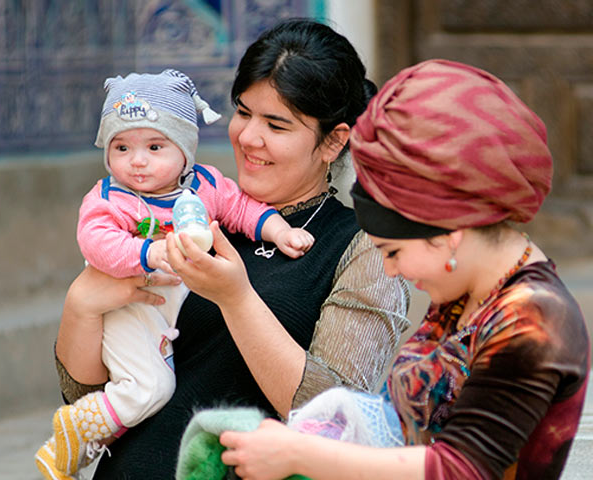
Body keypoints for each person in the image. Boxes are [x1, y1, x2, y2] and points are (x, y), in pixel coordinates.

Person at [50, 19, 411, 479]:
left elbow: (330, 419)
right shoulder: (192, 208)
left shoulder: (363, 249)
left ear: (333, 141)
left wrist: (236, 298)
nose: (248, 137)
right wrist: (80, 307)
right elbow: (87, 401)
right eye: (244, 112)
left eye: (276, 124)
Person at [217, 59, 591, 480]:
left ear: (447, 232)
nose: (391, 271)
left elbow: (462, 469)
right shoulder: (467, 291)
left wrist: (299, 454)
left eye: (392, 252)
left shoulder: (533, 319)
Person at [34, 69, 315, 479]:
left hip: (170, 315)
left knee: (156, 385)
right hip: (129, 308)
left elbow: (241, 210)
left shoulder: (204, 186)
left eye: (154, 145)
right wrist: (149, 252)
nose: (138, 160)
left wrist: (280, 231)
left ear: (185, 149)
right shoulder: (112, 197)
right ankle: (75, 431)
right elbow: (97, 243)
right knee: (149, 388)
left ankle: (89, 436)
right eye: (122, 147)